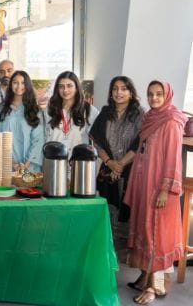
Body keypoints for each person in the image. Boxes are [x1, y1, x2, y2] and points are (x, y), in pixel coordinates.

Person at [123, 82, 186, 305]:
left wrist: (165, 190)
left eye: (159, 94)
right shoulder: (150, 117)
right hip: (144, 184)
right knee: (144, 227)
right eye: (151, 94)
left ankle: (154, 285)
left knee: (156, 235)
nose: (154, 98)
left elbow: (173, 158)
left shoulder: (171, 121)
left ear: (167, 95)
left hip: (159, 189)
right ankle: (145, 274)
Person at [91, 76, 144, 258]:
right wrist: (110, 163)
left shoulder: (138, 114)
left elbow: (141, 143)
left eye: (123, 89)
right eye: (115, 89)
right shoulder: (105, 112)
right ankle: (106, 252)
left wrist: (120, 165)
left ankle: (121, 255)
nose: (118, 92)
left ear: (131, 92)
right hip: (107, 169)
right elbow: (96, 140)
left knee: (124, 212)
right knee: (107, 212)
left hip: (129, 172)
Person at [0, 71, 45, 172]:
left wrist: (26, 164)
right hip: (6, 165)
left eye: (23, 83)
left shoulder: (35, 110)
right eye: (15, 82)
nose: (19, 86)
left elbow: (38, 139)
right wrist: (12, 163)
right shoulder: (1, 109)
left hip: (30, 166)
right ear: (11, 84)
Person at [45, 71, 99, 155]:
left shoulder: (89, 110)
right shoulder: (50, 110)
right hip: (54, 161)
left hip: (79, 161)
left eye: (69, 86)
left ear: (76, 87)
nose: (65, 90)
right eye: (61, 86)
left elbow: (97, 139)